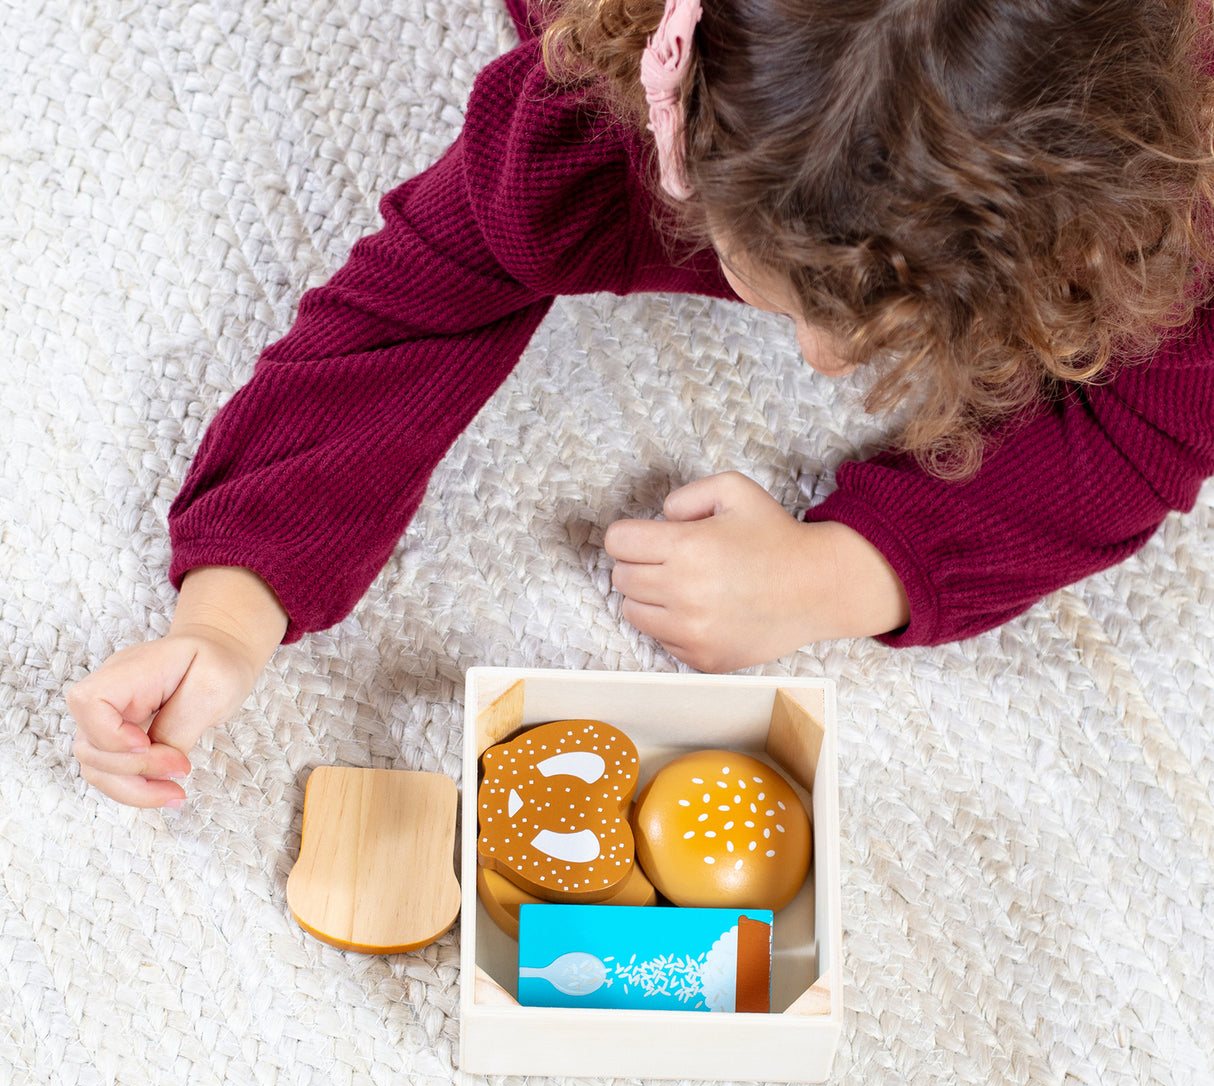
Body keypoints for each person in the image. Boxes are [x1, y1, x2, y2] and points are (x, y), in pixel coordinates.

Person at [68, 0, 1214, 809]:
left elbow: (1150, 425)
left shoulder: (1163, 183)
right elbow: (413, 302)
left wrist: (845, 573)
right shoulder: (601, 107)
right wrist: (226, 615)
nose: (818, 362)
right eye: (792, 297)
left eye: (876, 328)